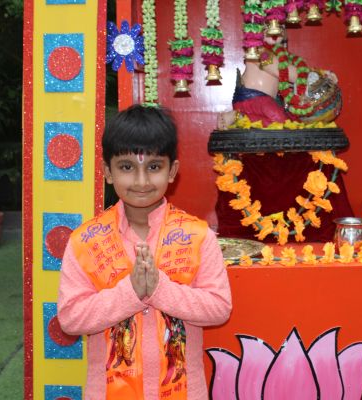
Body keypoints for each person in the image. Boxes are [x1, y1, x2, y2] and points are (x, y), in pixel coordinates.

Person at [58, 104, 232, 400]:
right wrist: (131, 292)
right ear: (108, 172)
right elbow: (71, 319)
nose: (141, 181)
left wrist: (159, 289)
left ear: (172, 171)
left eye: (153, 167)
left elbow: (219, 308)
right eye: (127, 167)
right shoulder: (85, 241)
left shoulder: (197, 236)